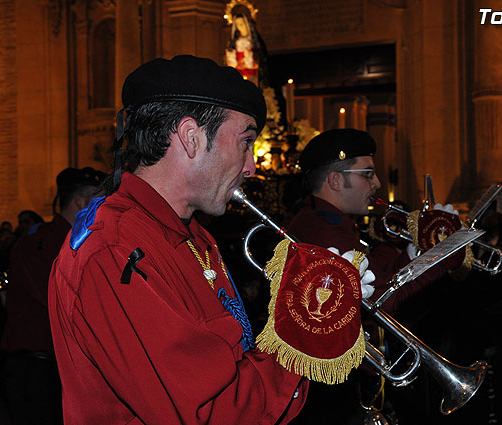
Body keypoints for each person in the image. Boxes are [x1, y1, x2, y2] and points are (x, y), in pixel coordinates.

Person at [48, 55, 308, 424]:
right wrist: (306, 328)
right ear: (191, 137)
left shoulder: (190, 232)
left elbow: (230, 355)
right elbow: (209, 411)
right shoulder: (117, 250)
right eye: (245, 141)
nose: (251, 166)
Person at [287, 129, 462, 424]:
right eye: (367, 174)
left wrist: (411, 252)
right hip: (338, 390)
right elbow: (382, 301)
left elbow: (378, 280)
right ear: (335, 180)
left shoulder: (330, 222)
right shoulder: (325, 229)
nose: (377, 183)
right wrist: (437, 259)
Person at [1, 166, 105, 425]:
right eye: (98, 199)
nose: (105, 206)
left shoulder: (78, 239)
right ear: (80, 202)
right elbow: (57, 297)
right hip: (38, 367)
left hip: (58, 366)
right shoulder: (42, 240)